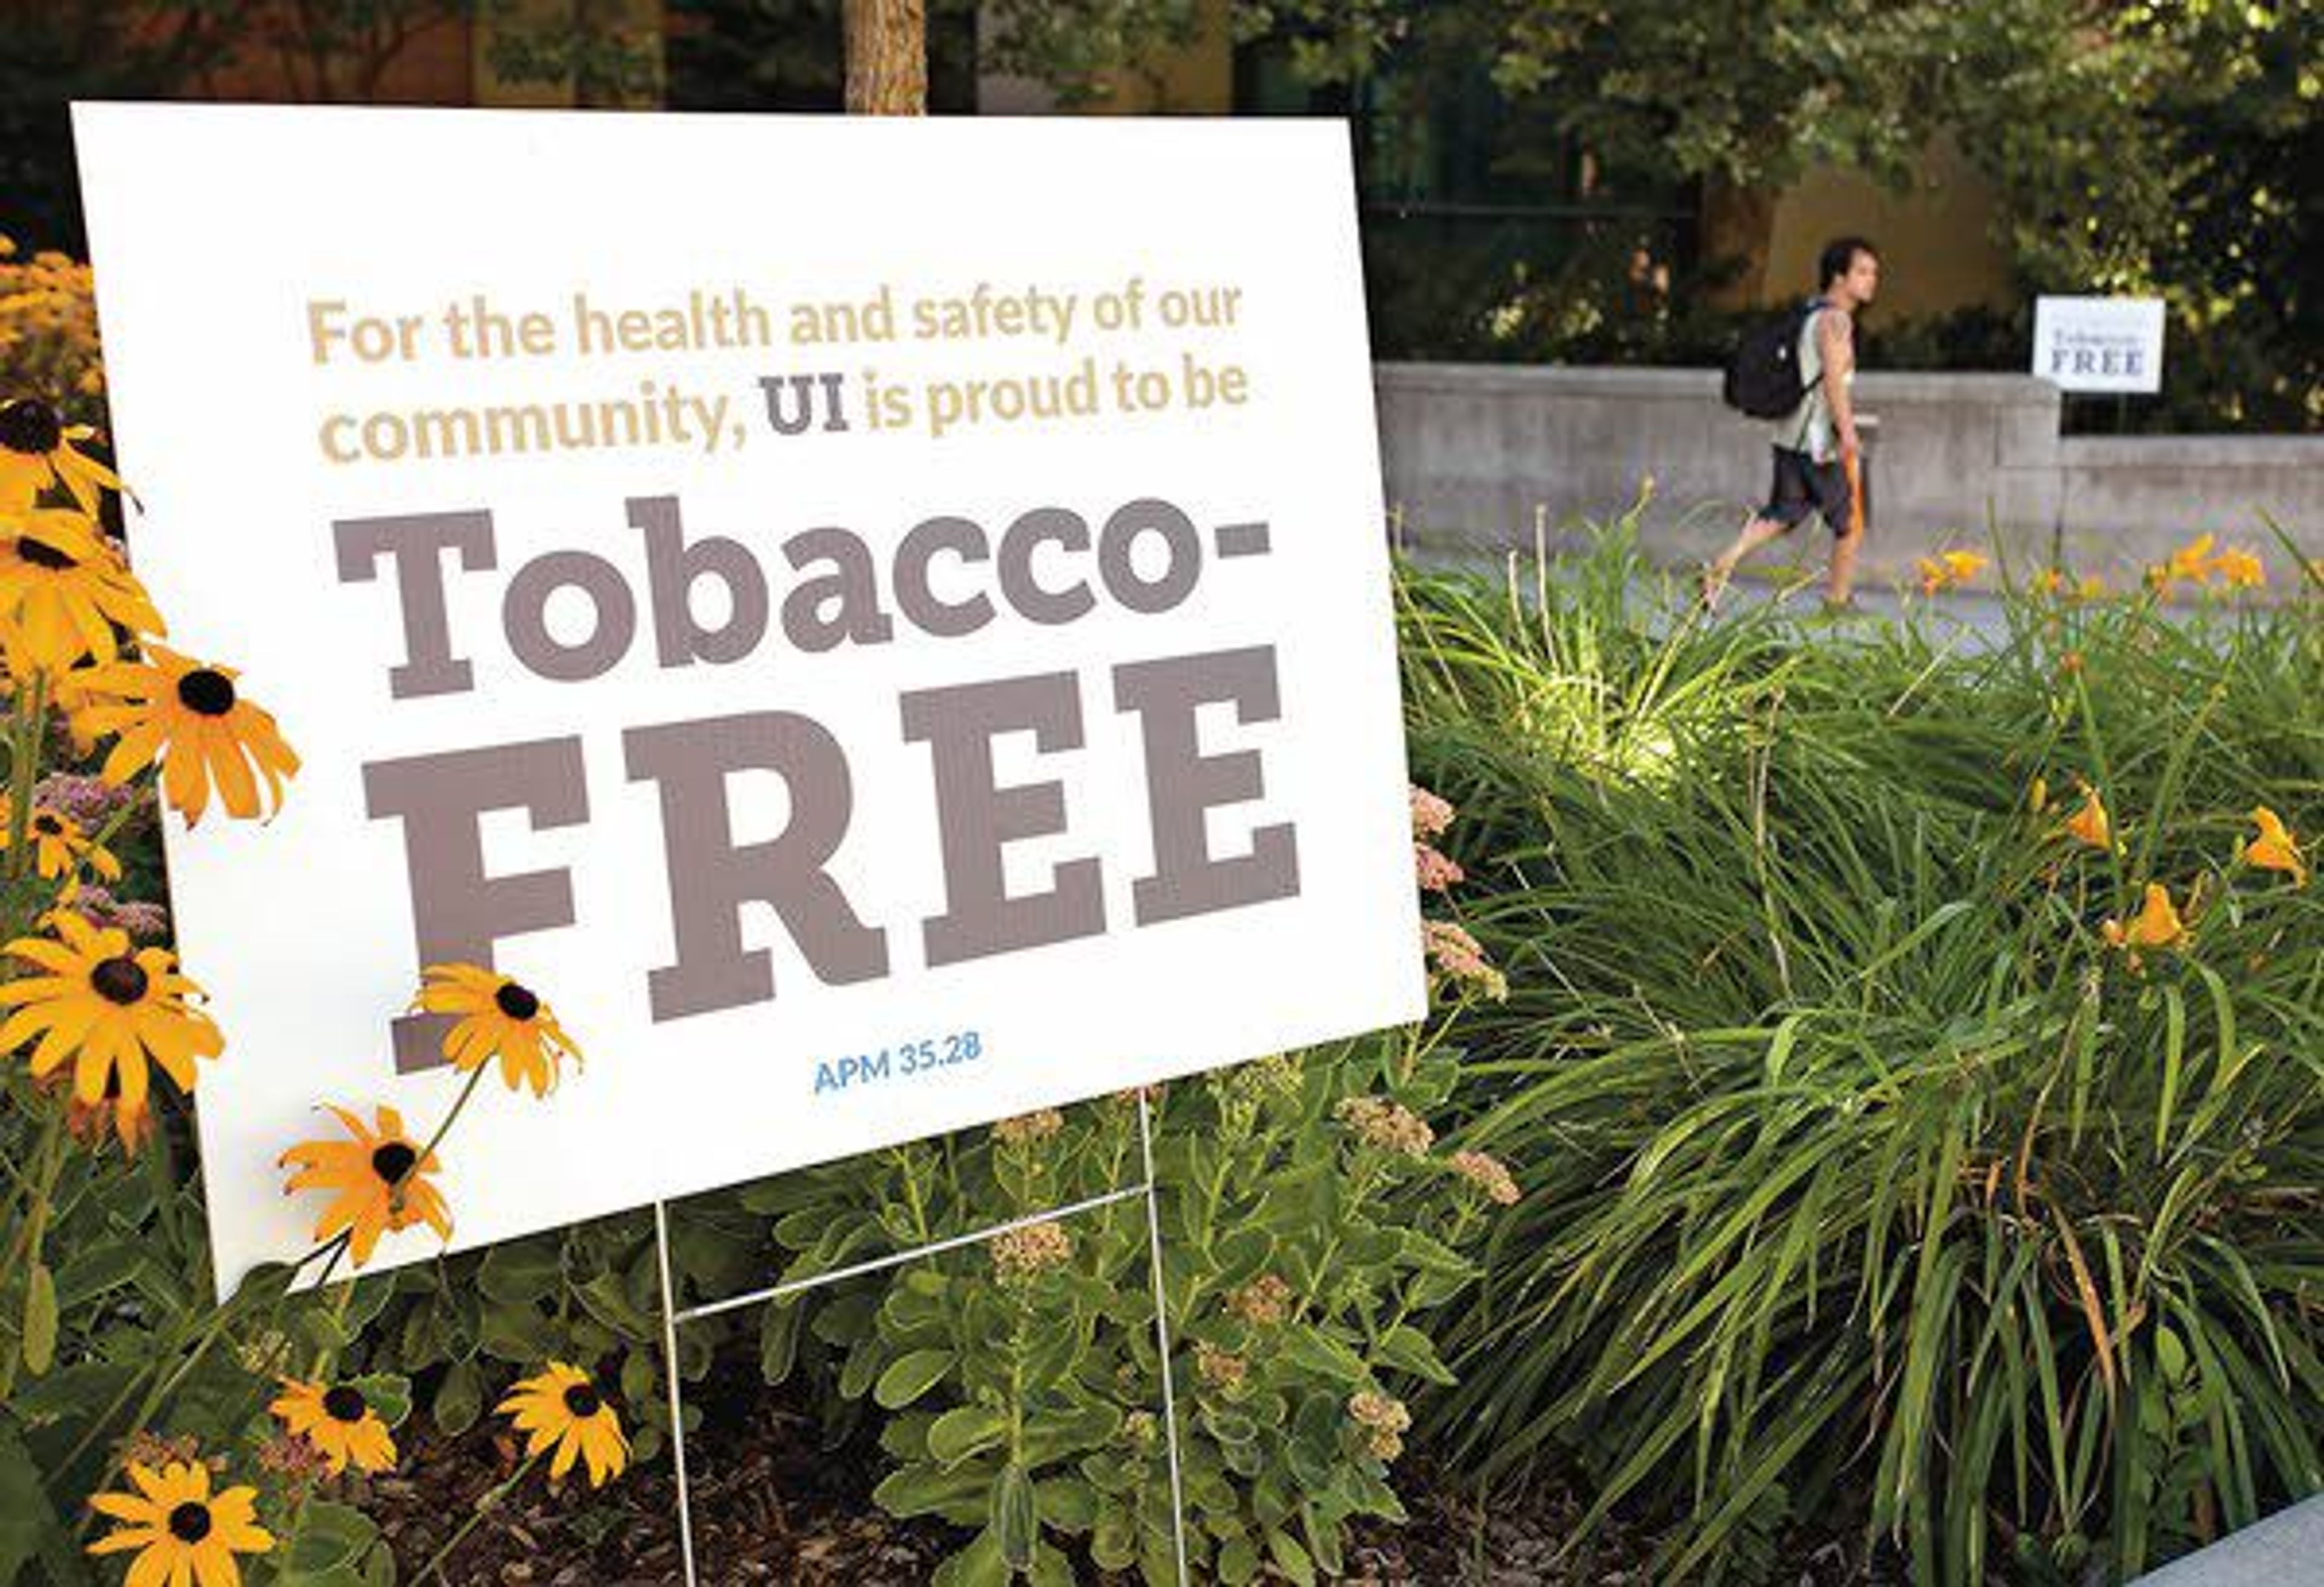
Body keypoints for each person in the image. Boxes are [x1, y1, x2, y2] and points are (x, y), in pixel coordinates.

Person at [1704, 237, 1879, 611]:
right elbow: (1833, 382)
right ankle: (1837, 602)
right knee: (1850, 522)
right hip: (1819, 442)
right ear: (1838, 276)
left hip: (1790, 434)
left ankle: (1721, 564)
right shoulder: (1835, 321)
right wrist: (1848, 434)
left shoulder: (1811, 314)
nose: (1871, 281)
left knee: (1782, 515)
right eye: (1862, 272)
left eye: (1873, 273)